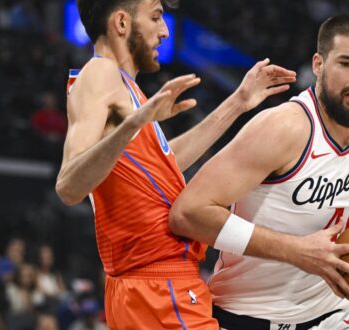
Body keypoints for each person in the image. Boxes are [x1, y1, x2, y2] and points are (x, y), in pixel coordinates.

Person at [170, 12, 349, 330]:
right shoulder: (283, 128)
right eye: (346, 63)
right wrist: (296, 251)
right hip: (249, 316)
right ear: (318, 64)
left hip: (331, 316)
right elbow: (188, 213)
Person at [55, 0, 296, 329]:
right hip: (157, 288)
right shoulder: (100, 73)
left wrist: (238, 103)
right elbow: (69, 186)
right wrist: (135, 123)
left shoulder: (124, 87)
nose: (165, 30)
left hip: (152, 288)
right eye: (155, 17)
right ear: (122, 23)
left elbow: (164, 162)